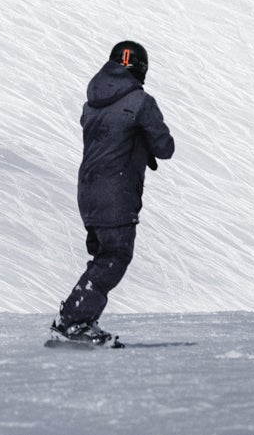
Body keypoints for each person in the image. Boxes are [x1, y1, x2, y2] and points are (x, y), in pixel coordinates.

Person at [51, 39, 174, 347]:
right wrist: (144, 142)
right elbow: (165, 147)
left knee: (103, 256)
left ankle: (81, 320)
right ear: (140, 70)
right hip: (116, 191)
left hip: (88, 191)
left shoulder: (91, 103)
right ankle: (74, 322)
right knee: (115, 256)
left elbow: (107, 134)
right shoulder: (140, 102)